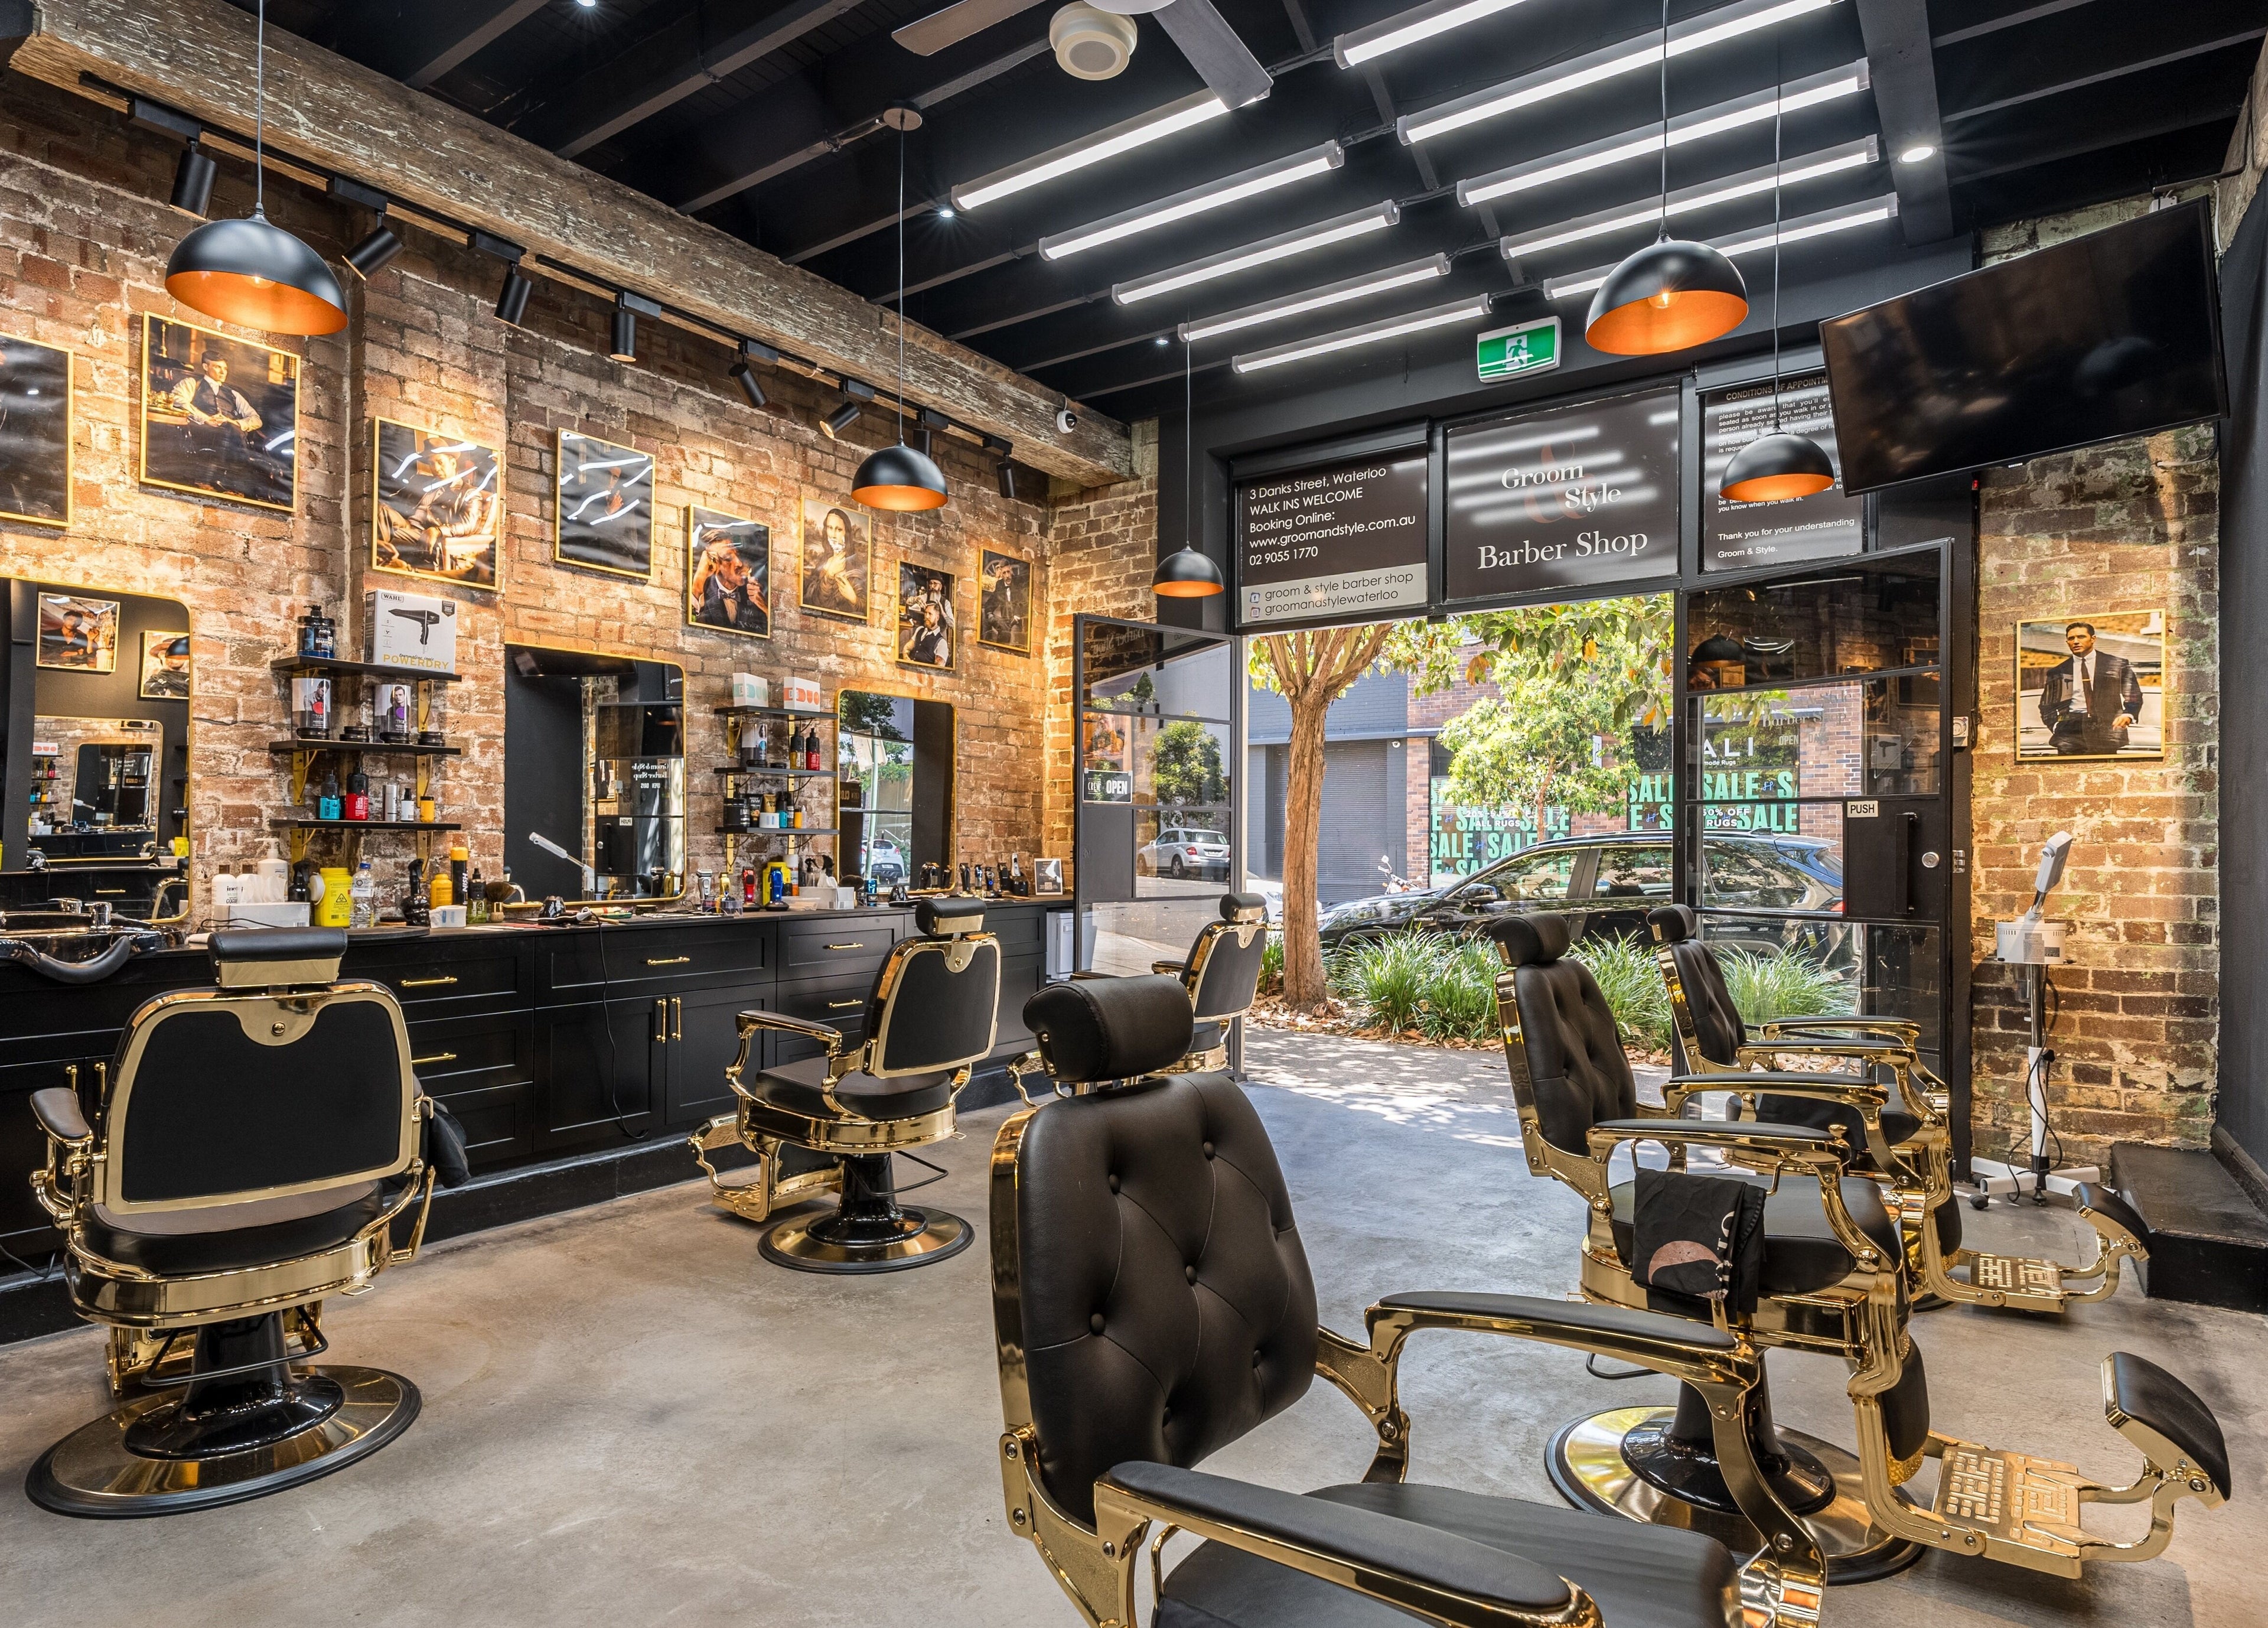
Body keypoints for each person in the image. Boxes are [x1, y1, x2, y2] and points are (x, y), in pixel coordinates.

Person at [2036, 620, 2144, 756]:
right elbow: (2046, 706)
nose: (2076, 641)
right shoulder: (2058, 672)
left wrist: (2128, 714)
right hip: (2070, 733)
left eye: (2081, 637)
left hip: (2106, 730)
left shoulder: (2116, 665)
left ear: (2093, 639)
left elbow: (2134, 695)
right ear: (2067, 642)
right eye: (2071, 638)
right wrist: (2056, 726)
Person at [168, 353, 263, 498]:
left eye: (225, 368)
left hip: (232, 432)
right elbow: (178, 400)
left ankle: (229, 480)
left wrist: (233, 422)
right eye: (218, 367)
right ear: (206, 367)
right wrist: (206, 418)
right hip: (204, 431)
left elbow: (256, 419)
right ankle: (238, 480)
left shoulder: (233, 394)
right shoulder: (193, 383)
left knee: (232, 429)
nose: (223, 372)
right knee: (233, 433)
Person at [690, 532, 767, 633]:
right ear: (712, 563)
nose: (739, 563)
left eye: (738, 554)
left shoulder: (757, 593)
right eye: (728, 558)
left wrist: (765, 608)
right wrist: (697, 588)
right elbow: (692, 631)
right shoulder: (700, 595)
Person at [804, 507, 863, 615]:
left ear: (846, 533)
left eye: (839, 529)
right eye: (830, 528)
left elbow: (864, 606)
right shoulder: (821, 562)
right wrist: (830, 575)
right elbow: (812, 601)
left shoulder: (855, 564)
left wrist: (854, 599)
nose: (833, 535)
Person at [980, 556, 1025, 649]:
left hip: (1017, 620)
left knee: (1012, 638)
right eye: (1004, 573)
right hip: (1005, 620)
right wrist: (989, 613)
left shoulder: (1018, 583)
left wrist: (1017, 616)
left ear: (1011, 570)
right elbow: (993, 600)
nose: (1007, 576)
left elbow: (1023, 602)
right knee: (996, 626)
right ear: (1001, 573)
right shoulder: (1000, 584)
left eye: (1008, 572)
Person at [902, 600, 950, 668]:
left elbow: (938, 671)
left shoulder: (942, 643)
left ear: (937, 617)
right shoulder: (920, 630)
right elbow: (907, 648)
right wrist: (907, 660)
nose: (927, 616)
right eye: (926, 613)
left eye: (930, 614)